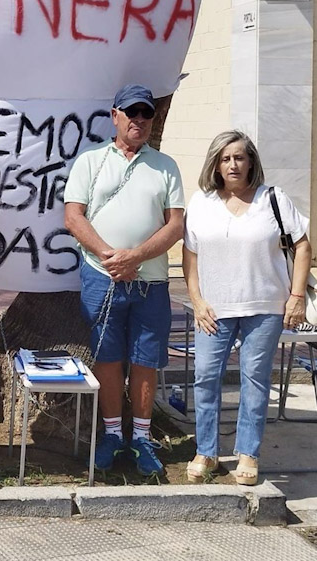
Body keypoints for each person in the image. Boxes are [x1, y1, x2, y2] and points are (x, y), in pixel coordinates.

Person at [64, 84, 185, 476]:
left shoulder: (166, 166)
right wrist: (108, 256)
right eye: (131, 112)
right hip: (102, 278)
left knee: (145, 360)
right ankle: (114, 434)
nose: (138, 120)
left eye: (145, 113)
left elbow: (176, 225)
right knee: (108, 357)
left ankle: (143, 439)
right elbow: (74, 217)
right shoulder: (90, 160)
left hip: (150, 282)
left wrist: (136, 256)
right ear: (115, 115)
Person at [183, 131, 311, 486]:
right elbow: (190, 256)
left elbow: (302, 246)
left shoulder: (274, 199)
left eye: (239, 157)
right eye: (225, 159)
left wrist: (296, 296)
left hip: (265, 306)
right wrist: (196, 300)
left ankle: (248, 454)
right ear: (216, 165)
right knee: (206, 377)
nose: (233, 164)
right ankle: (206, 451)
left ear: (251, 161)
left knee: (255, 380)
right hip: (214, 309)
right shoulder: (201, 202)